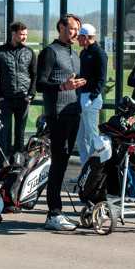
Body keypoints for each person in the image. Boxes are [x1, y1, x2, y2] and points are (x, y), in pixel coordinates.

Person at [36, 14, 86, 231]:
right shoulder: (50, 52)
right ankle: (53, 214)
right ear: (61, 27)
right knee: (58, 164)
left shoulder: (75, 54)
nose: (76, 33)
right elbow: (40, 84)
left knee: (64, 163)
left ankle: (57, 212)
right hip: (57, 115)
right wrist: (61, 87)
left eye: (78, 30)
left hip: (74, 113)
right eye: (73, 28)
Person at [0, 21, 36, 163]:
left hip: (23, 100)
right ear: (13, 34)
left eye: (26, 35)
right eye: (22, 35)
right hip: (5, 101)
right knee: (2, 134)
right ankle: (0, 166)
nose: (24, 38)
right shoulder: (0, 52)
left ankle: (17, 164)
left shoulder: (29, 52)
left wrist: (30, 95)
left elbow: (35, 75)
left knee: (20, 135)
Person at [76, 23, 108, 169]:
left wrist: (92, 97)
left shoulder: (99, 53)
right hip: (81, 96)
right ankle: (84, 170)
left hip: (91, 99)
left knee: (91, 136)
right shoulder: (83, 53)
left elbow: (101, 79)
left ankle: (94, 171)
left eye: (79, 36)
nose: (77, 39)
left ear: (86, 37)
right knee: (81, 139)